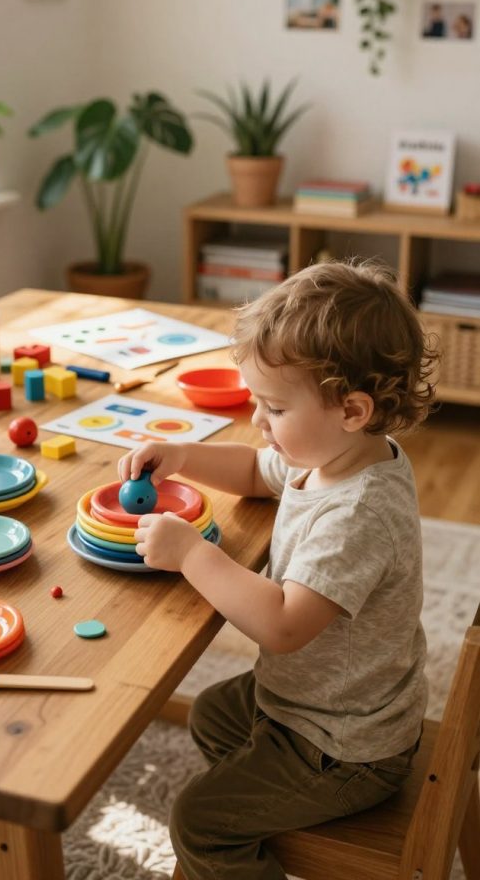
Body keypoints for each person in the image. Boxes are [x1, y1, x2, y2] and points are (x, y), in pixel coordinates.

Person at [118, 259, 439, 880]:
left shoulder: (359, 514)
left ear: (352, 410)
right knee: (213, 713)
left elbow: (285, 627)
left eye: (273, 408)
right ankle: (266, 797)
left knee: (197, 821)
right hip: (320, 703)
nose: (259, 423)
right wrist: (182, 455)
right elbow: (253, 472)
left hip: (346, 747)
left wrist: (191, 553)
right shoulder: (334, 455)